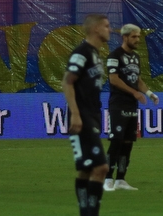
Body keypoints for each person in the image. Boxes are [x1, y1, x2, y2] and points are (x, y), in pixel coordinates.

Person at [63, 14, 111, 216]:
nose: (110, 30)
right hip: (81, 116)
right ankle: (91, 212)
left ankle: (86, 211)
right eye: (106, 26)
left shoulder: (95, 55)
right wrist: (75, 114)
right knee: (101, 168)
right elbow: (67, 81)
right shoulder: (81, 53)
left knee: (86, 169)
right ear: (96, 29)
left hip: (92, 115)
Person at [104, 24, 159, 192]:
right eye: (134, 37)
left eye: (139, 37)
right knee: (116, 141)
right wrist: (134, 92)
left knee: (128, 142)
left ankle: (120, 179)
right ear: (125, 37)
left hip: (131, 105)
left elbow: (137, 79)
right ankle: (107, 179)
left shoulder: (135, 57)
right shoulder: (115, 56)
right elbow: (114, 79)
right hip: (118, 104)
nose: (137, 40)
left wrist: (149, 93)